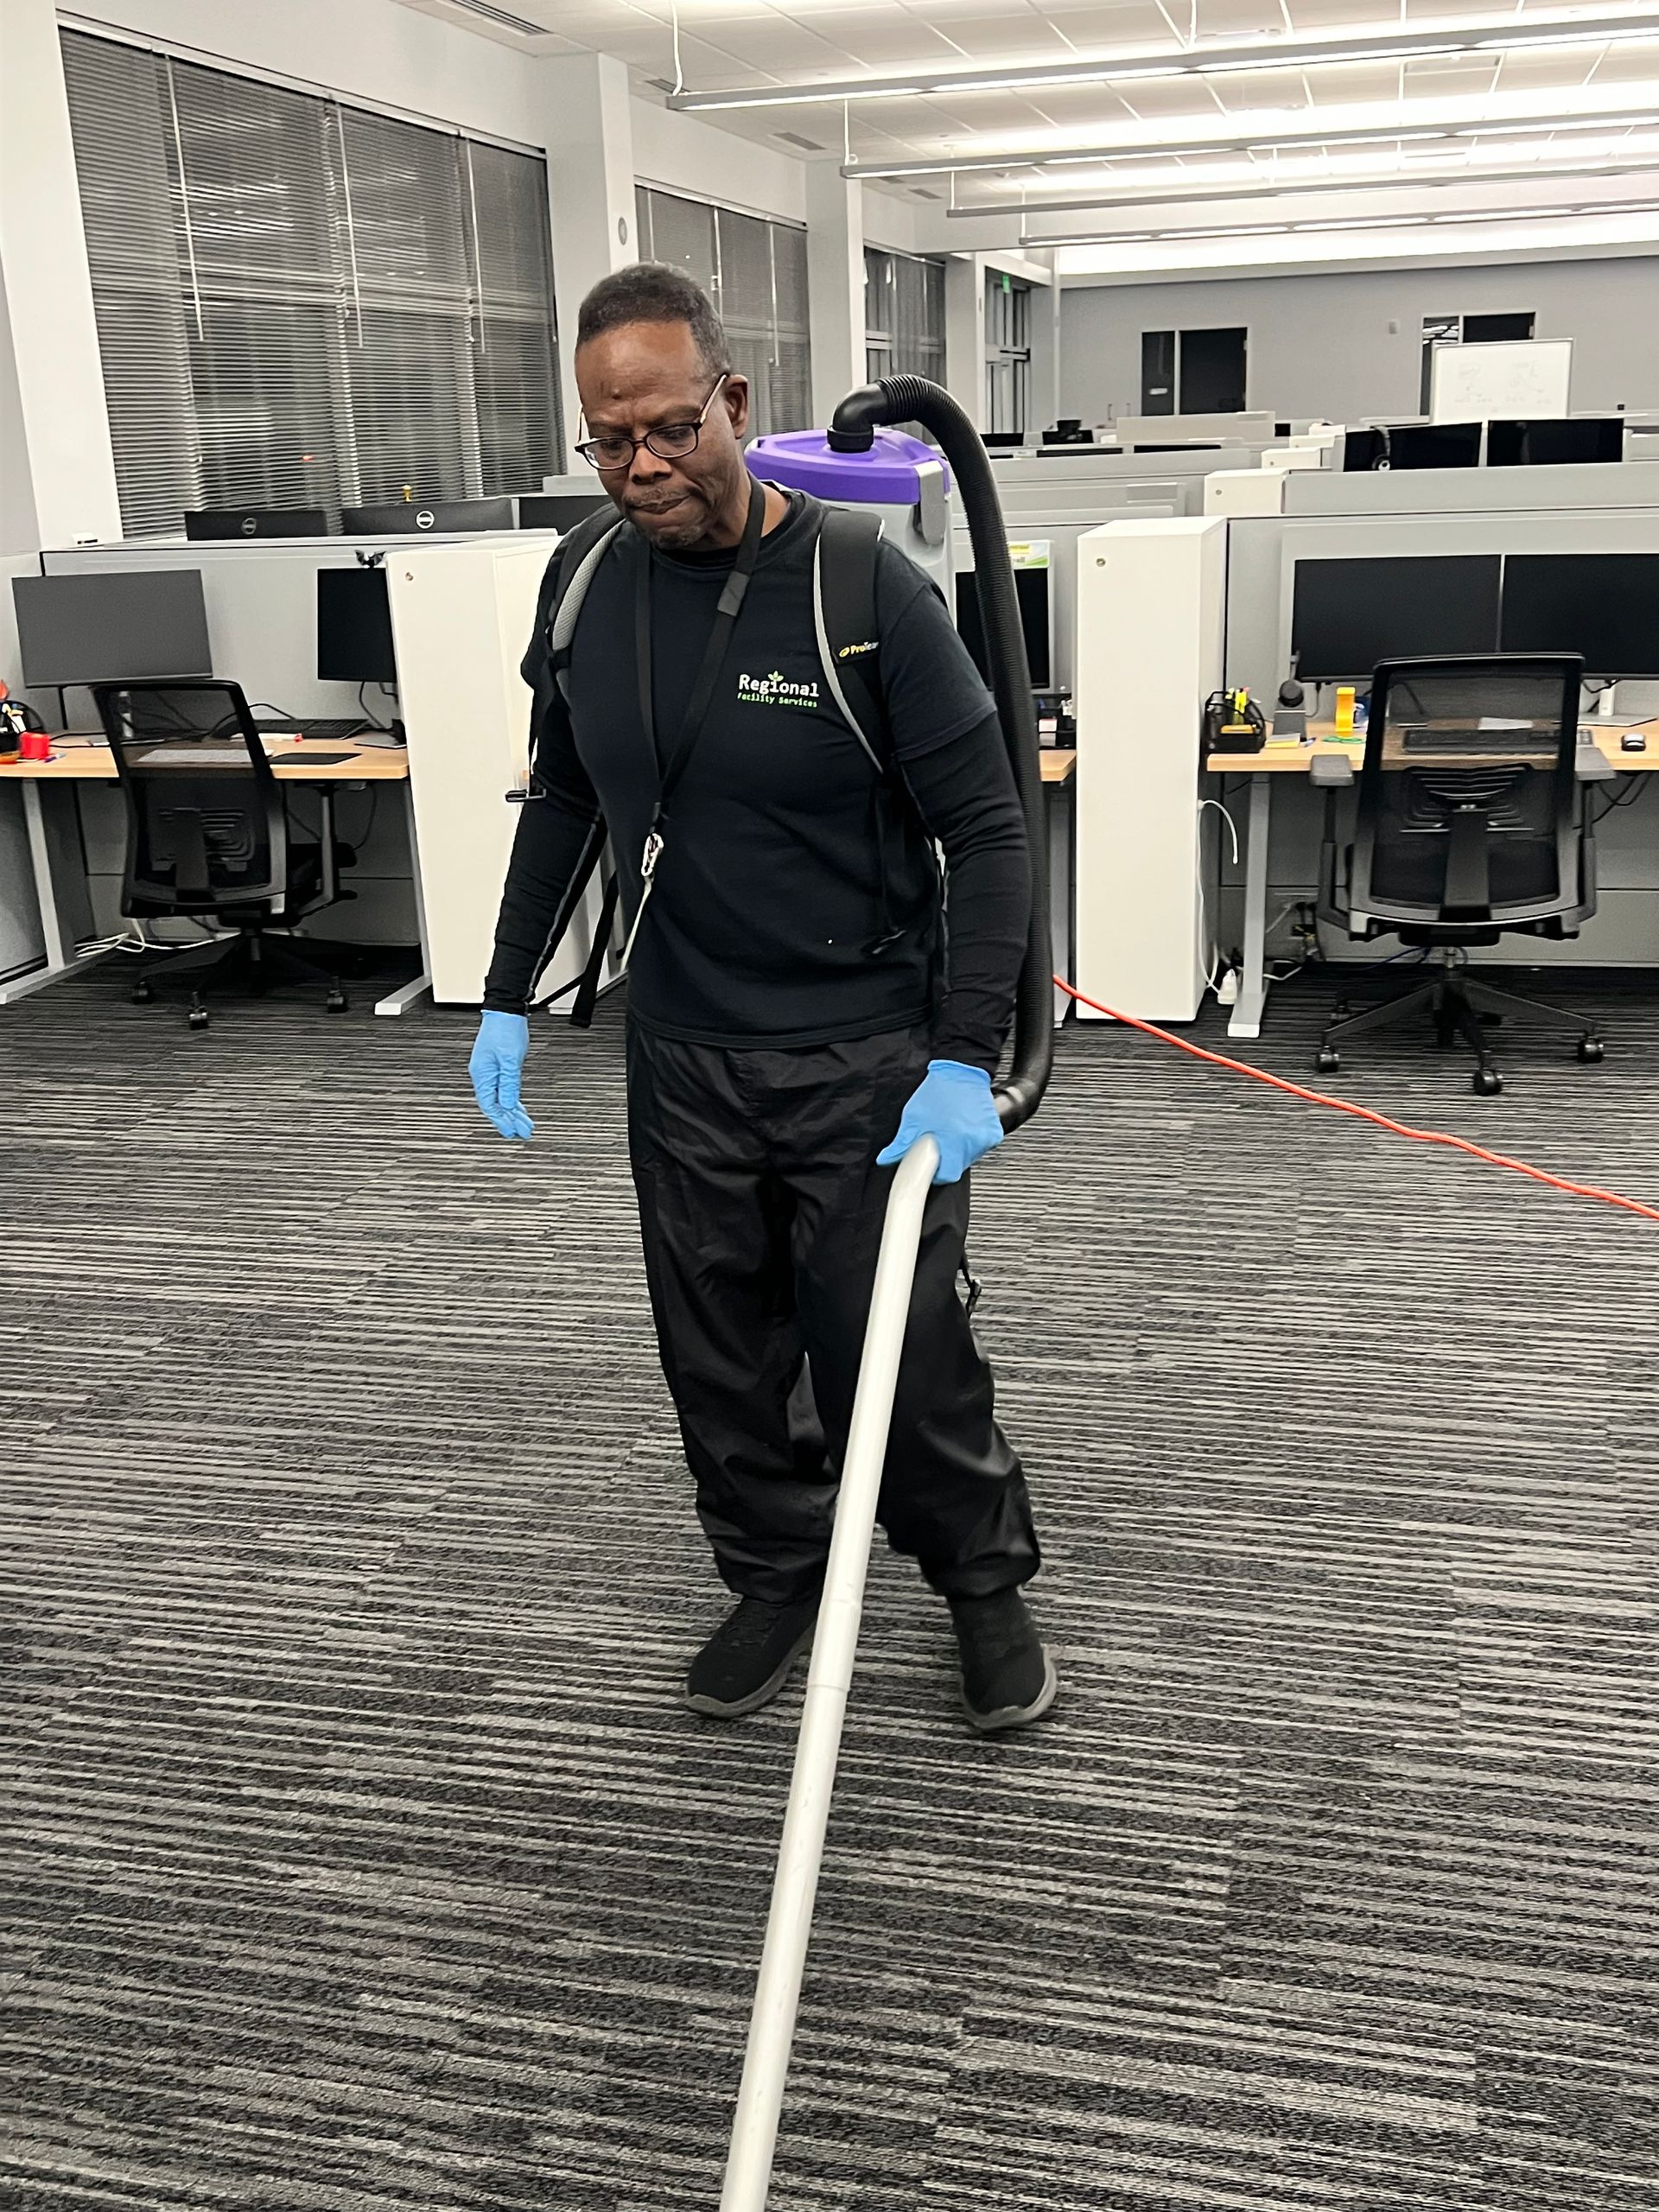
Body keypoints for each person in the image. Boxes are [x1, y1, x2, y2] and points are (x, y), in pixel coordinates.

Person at [469, 263, 1055, 1735]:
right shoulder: (586, 579)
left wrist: (964, 1058)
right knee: (719, 1353)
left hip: (863, 1054)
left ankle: (982, 1588)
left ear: (732, 401)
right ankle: (775, 1567)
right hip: (684, 1054)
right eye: (611, 442)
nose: (644, 466)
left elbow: (988, 831)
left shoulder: (865, 588)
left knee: (896, 1356)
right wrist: (503, 991)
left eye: (670, 427)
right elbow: (563, 795)